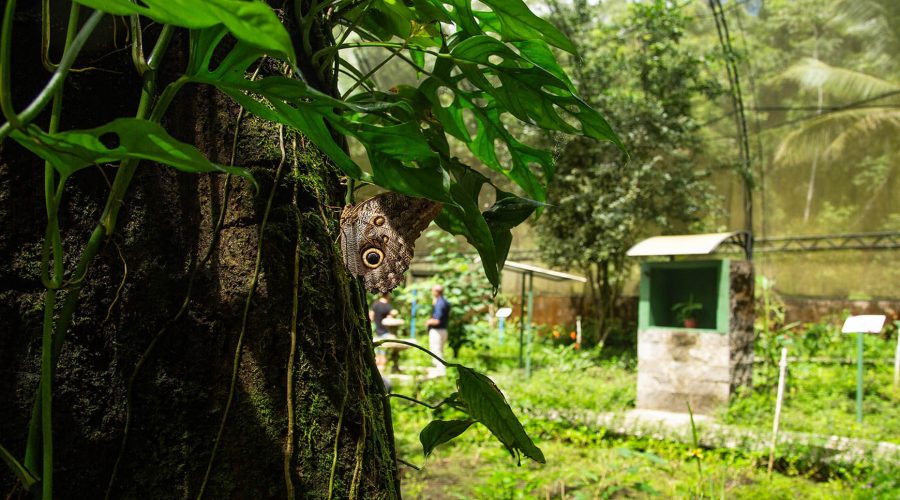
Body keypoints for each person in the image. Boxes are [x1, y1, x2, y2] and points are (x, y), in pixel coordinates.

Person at [425, 284, 450, 376]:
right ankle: (439, 371)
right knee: (440, 350)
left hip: (437, 331)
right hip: (444, 330)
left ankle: (441, 372)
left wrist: (428, 322)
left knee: (436, 351)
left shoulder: (440, 303)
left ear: (436, 291)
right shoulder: (444, 301)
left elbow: (436, 321)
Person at [369, 293, 392, 372]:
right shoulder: (388, 306)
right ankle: (382, 372)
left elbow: (370, 317)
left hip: (376, 332)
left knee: (377, 354)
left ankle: (378, 372)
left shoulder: (375, 304)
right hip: (385, 332)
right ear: (388, 295)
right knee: (383, 353)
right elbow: (390, 319)